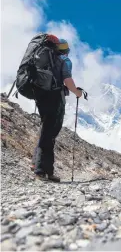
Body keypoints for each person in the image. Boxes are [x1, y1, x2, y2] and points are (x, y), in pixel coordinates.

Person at [31, 37, 82, 182]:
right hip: (55, 98)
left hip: (42, 98)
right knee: (50, 133)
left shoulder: (45, 59)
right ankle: (41, 171)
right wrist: (77, 92)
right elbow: (67, 80)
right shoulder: (64, 61)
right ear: (65, 50)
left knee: (46, 130)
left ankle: (41, 166)